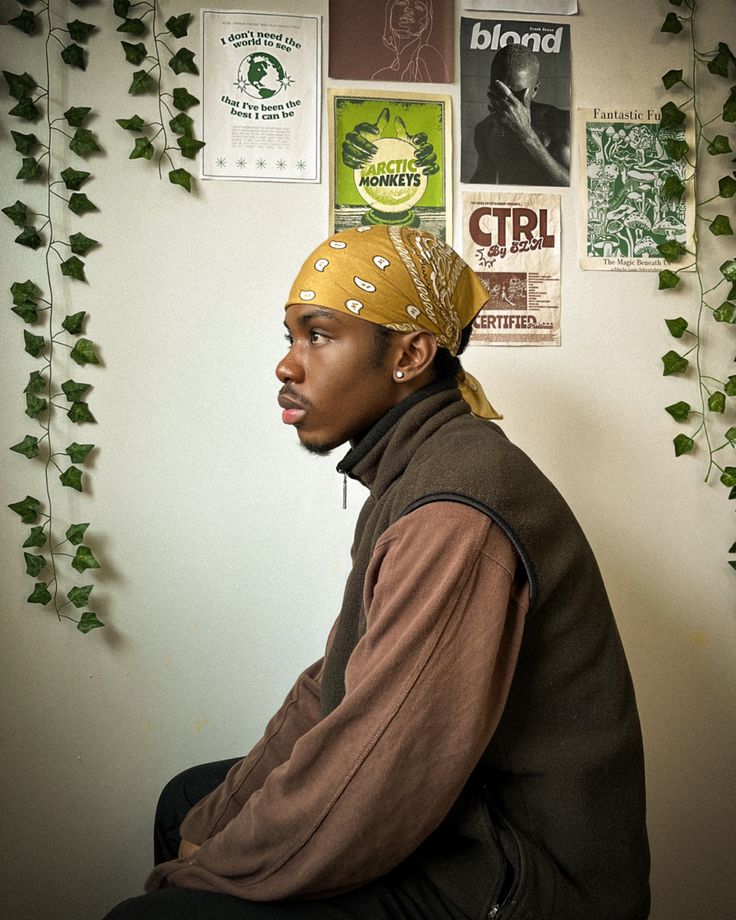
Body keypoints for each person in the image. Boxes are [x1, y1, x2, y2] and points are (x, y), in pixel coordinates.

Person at [104, 226, 650, 920]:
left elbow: (382, 764)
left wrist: (202, 878)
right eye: (290, 335)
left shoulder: (455, 508)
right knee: (191, 803)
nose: (286, 365)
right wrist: (210, 834)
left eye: (319, 335)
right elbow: (335, 682)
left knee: (151, 914)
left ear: (410, 354)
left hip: (513, 880)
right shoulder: (417, 469)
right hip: (463, 822)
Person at [470, 43, 570, 186]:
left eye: (516, 95)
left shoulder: (561, 124)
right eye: (499, 91)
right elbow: (482, 185)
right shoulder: (484, 130)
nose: (507, 102)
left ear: (534, 90)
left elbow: (577, 190)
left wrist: (526, 134)